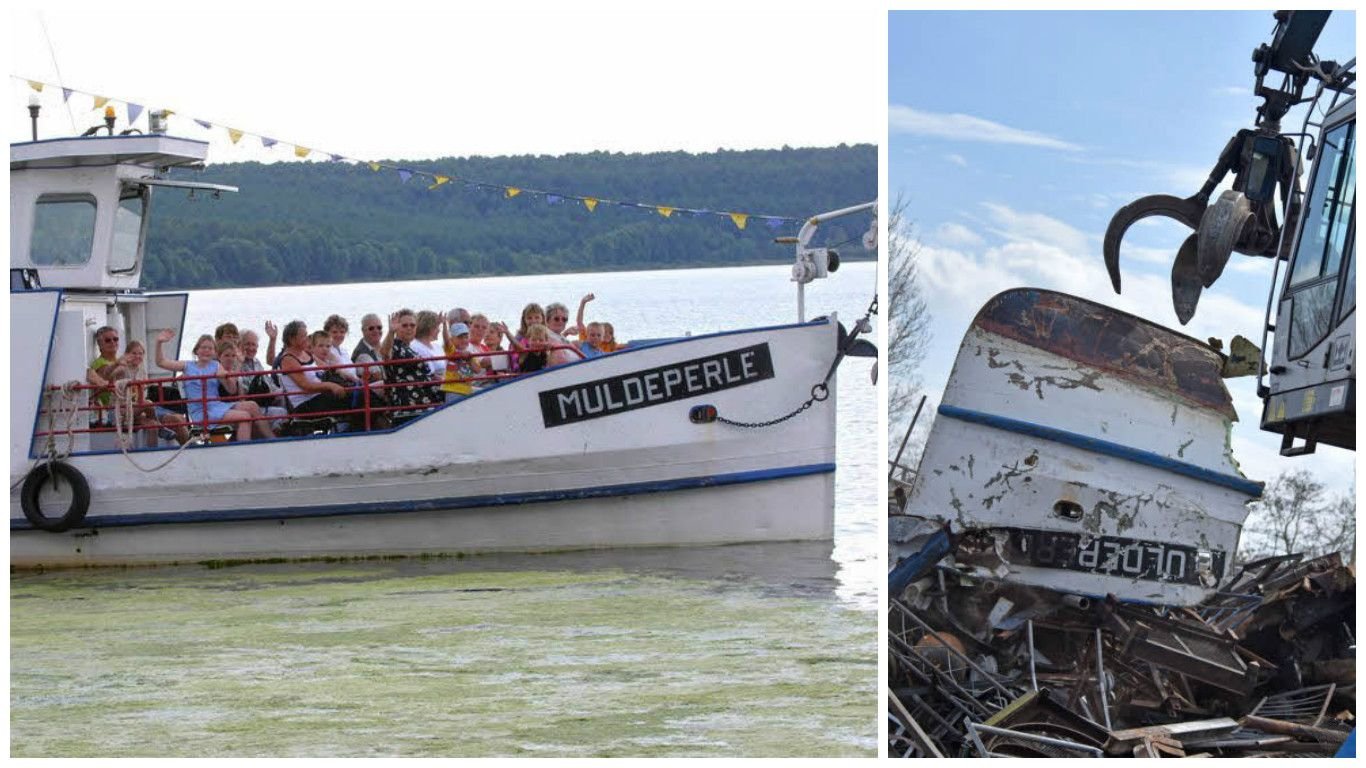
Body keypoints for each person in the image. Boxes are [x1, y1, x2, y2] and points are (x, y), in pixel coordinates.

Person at [154, 330, 268, 442]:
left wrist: (224, 378)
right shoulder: (187, 366)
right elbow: (161, 362)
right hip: (202, 411)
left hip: (216, 405)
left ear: (214, 352)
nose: (206, 351)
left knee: (252, 406)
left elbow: (232, 389)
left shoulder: (216, 365)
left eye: (210, 348)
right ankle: (245, 450)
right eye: (203, 347)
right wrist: (159, 342)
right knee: (245, 416)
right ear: (197, 350)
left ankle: (272, 439)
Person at [104, 340, 191, 446]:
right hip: (120, 412)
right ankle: (161, 428)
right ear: (126, 355)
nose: (137, 356)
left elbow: (140, 398)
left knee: (152, 425)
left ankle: (152, 454)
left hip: (135, 410)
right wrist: (116, 363)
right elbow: (107, 375)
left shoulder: (142, 372)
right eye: (134, 353)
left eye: (140, 354)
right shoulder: (122, 368)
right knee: (148, 403)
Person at [277, 320, 354, 426]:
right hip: (307, 404)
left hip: (320, 396)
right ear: (292, 339)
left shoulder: (306, 353)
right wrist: (331, 386)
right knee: (356, 396)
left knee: (359, 392)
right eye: (303, 336)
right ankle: (358, 428)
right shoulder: (288, 359)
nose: (307, 339)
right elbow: (306, 386)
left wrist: (349, 377)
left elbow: (327, 369)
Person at [380, 309, 442, 416]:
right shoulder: (394, 346)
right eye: (404, 325)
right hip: (408, 402)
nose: (409, 328)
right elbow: (385, 353)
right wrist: (391, 332)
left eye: (412, 325)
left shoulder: (410, 348)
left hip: (426, 396)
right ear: (397, 327)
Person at [86, 325, 122, 424]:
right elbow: (109, 375)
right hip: (114, 408)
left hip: (125, 404)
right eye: (108, 340)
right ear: (100, 345)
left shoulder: (119, 361)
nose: (113, 342)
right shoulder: (99, 363)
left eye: (115, 339)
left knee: (153, 420)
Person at [440, 322, 483, 401]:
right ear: (452, 339)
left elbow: (477, 370)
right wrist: (444, 325)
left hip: (467, 390)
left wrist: (469, 359)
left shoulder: (470, 354)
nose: (463, 340)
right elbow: (446, 340)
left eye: (466, 337)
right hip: (453, 390)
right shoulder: (451, 351)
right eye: (460, 337)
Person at [544, 301, 584, 366]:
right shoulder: (544, 334)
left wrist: (566, 333)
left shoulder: (561, 337)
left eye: (564, 319)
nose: (561, 321)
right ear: (547, 320)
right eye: (556, 319)